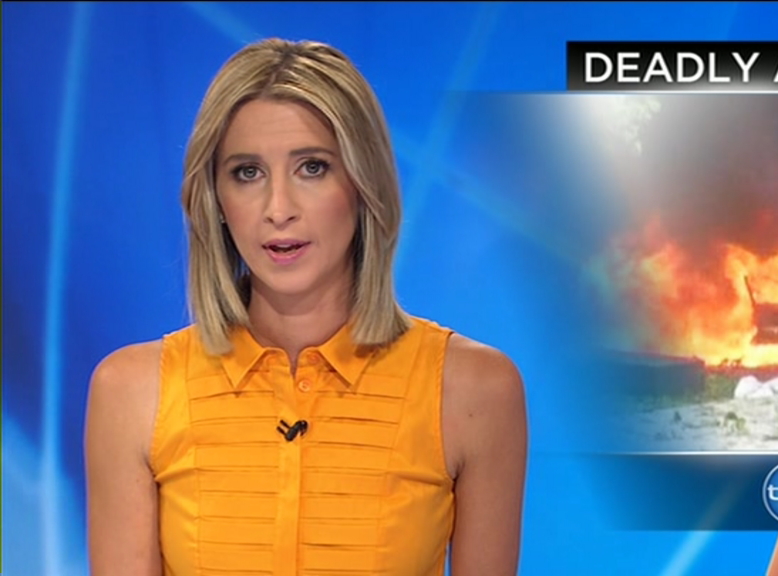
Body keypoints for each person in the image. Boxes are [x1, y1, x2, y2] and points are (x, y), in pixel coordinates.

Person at [84, 38, 528, 576]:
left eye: (312, 167)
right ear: (216, 200)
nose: (278, 209)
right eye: (247, 173)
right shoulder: (132, 393)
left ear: (363, 185)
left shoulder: (474, 391)